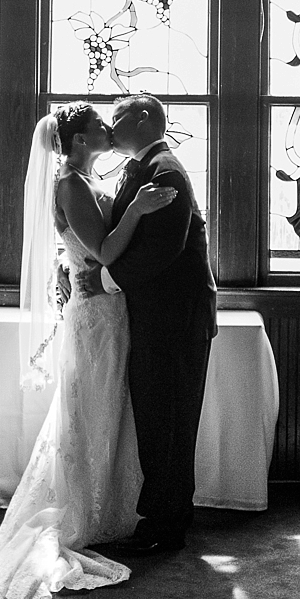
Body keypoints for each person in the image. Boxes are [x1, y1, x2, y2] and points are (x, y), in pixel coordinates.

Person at [0, 101, 175, 599]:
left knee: (102, 408)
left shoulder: (84, 179)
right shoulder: (72, 184)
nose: (107, 130)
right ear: (77, 140)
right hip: (96, 315)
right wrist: (138, 210)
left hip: (105, 308)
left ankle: (104, 507)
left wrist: (64, 263)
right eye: (99, 125)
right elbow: (103, 253)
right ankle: (81, 511)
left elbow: (79, 246)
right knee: (89, 408)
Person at [103, 93, 217, 555]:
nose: (110, 127)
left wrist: (109, 278)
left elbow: (163, 249)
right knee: (156, 416)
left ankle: (166, 526)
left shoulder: (165, 171)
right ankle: (164, 518)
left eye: (118, 117)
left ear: (145, 118)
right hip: (160, 314)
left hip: (176, 317)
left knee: (169, 419)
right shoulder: (143, 168)